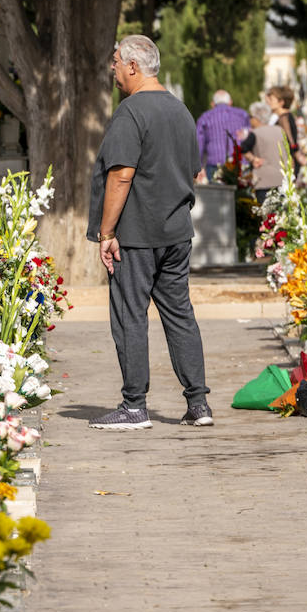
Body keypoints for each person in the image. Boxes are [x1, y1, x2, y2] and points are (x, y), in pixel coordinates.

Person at [88, 35, 211, 430]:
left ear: (134, 67)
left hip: (136, 236)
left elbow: (121, 174)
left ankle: (134, 405)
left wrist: (106, 232)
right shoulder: (180, 110)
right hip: (176, 232)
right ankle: (198, 404)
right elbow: (194, 170)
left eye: (116, 62)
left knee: (130, 316)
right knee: (180, 315)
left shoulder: (131, 112)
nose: (113, 68)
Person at [195, 89, 249, 181]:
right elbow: (249, 137)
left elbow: (198, 143)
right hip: (239, 164)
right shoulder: (242, 115)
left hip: (215, 165)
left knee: (216, 194)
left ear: (212, 104)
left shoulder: (205, 117)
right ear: (230, 102)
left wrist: (197, 166)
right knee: (241, 194)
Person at [239, 101, 285, 204]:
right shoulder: (280, 130)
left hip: (264, 180)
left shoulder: (255, 133)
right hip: (283, 178)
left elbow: (243, 148)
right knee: (283, 213)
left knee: (267, 214)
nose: (250, 120)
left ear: (256, 118)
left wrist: (253, 159)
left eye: (251, 117)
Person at [264, 85, 303, 176]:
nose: (268, 102)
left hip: (287, 162)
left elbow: (290, 140)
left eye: (271, 99)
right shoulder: (284, 116)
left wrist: (293, 156)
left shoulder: (283, 118)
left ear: (281, 102)